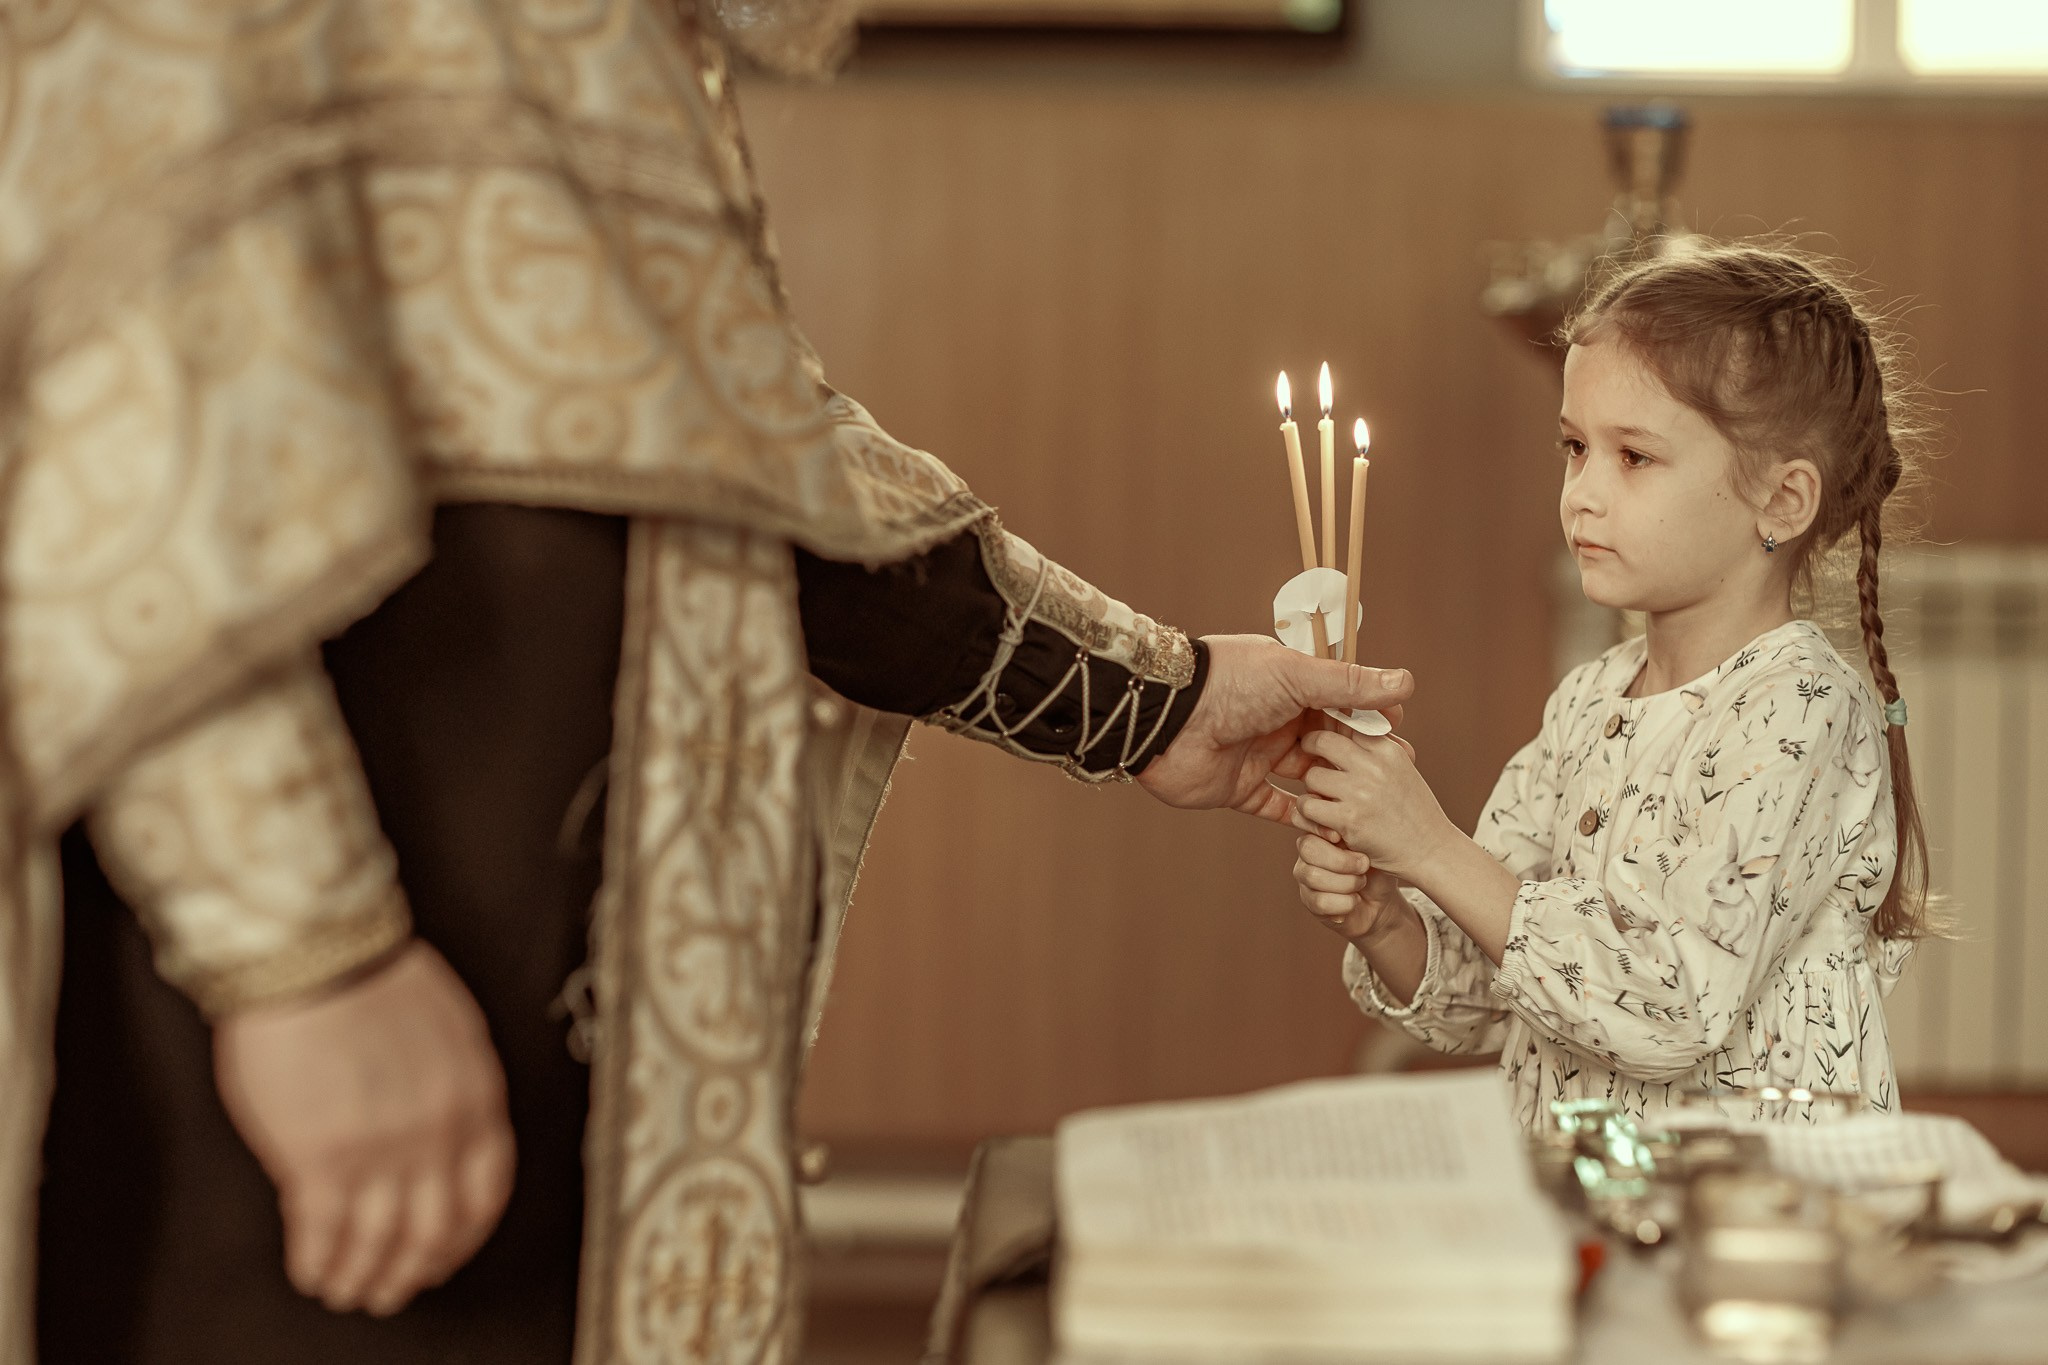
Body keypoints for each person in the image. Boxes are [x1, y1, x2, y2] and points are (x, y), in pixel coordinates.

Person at [0, 2, 1410, 1363]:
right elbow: (112, 461)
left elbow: (753, 466)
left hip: (564, 1048)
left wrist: (1157, 698)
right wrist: (305, 958)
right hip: (316, 1052)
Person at [1288, 243, 1934, 1129]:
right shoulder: (1588, 701)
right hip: (1593, 1189)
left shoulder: (1803, 711)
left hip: (1761, 1196)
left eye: (1634, 456)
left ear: (1782, 502)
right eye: (1575, 447)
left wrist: (1431, 844)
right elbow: (1499, 987)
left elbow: (1672, 1007)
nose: (1582, 494)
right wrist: (1387, 916)